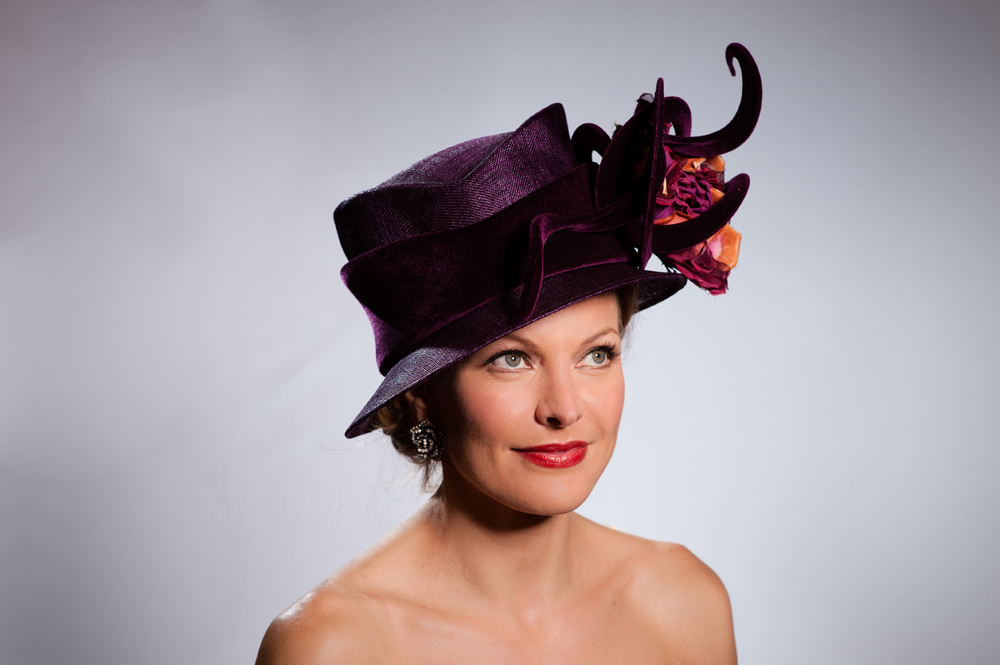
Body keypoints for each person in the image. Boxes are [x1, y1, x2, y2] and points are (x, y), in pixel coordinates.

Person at [257, 43, 761, 664]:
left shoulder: (684, 604)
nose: (564, 408)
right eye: (512, 359)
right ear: (422, 391)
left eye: (597, 354)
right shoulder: (335, 649)